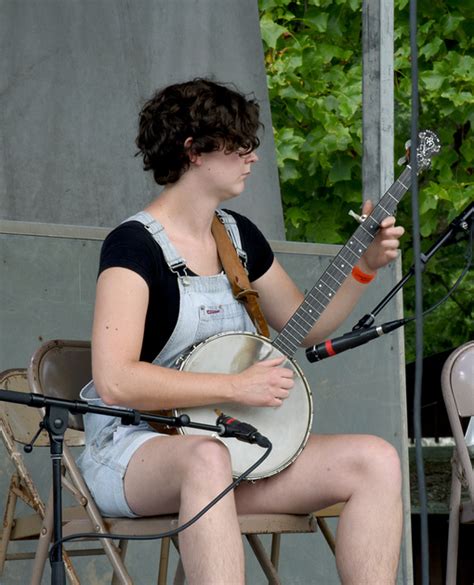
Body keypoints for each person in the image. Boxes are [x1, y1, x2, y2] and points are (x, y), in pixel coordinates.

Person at [78, 78, 404, 585]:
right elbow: (116, 380)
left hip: (230, 452)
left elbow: (307, 321)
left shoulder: (238, 237)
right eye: (239, 144)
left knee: (375, 460)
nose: (252, 155)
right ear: (195, 151)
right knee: (206, 458)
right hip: (136, 449)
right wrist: (235, 387)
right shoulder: (132, 246)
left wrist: (363, 267)